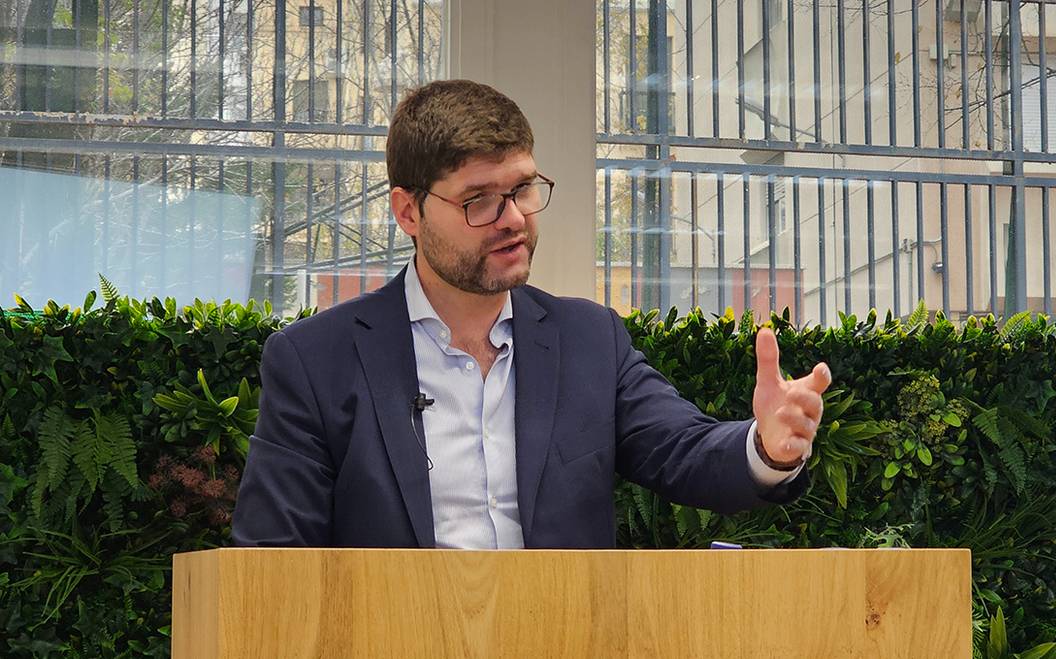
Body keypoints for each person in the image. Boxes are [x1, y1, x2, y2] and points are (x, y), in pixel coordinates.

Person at [231, 80, 832, 549]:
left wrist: (768, 448)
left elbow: (684, 451)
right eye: (479, 201)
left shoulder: (589, 340)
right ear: (408, 212)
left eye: (521, 190)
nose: (513, 218)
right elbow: (273, 555)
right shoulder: (317, 359)